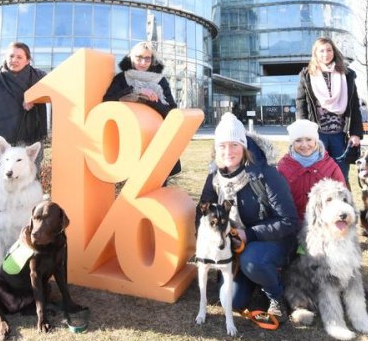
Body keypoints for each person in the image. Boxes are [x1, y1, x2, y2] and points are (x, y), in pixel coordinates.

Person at [197, 113, 298, 323]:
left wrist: (248, 234)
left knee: (252, 260)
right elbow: (203, 214)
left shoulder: (265, 173)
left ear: (244, 146)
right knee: (231, 301)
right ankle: (257, 281)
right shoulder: (215, 177)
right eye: (222, 146)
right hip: (235, 247)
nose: (228, 151)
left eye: (234, 144)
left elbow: (289, 220)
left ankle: (276, 295)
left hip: (272, 242)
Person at [0, 42, 47, 262]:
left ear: (28, 60)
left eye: (19, 57)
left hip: (25, 146)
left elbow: (58, 87)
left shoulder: (39, 79)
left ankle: (23, 242)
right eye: (11, 56)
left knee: (25, 199)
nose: (14, 60)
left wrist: (34, 94)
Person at [103, 41, 181, 177]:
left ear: (152, 60)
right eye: (139, 57)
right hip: (127, 141)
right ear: (131, 57)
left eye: (147, 58)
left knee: (156, 184)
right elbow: (107, 101)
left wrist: (150, 100)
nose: (143, 62)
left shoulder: (160, 81)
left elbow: (172, 112)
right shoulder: (121, 79)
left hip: (155, 140)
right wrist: (136, 90)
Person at [295, 37, 364, 185]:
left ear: (334, 51)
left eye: (329, 50)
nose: (326, 54)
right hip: (317, 135)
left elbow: (354, 106)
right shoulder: (307, 75)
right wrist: (303, 133)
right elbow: (301, 104)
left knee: (341, 177)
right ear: (315, 53)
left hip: (340, 135)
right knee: (316, 176)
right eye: (321, 51)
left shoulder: (347, 74)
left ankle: (344, 206)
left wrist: (356, 133)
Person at [277, 118, 346, 220]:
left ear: (316, 141)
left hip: (323, 225)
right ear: (292, 143)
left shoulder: (330, 166)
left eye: (309, 139)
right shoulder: (283, 166)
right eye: (298, 140)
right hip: (291, 225)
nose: (304, 145)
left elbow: (343, 196)